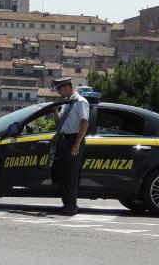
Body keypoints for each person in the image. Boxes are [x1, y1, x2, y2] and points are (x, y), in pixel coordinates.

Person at [52, 77, 89, 216]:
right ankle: (67, 204)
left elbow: (85, 123)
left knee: (72, 176)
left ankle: (71, 206)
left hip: (74, 141)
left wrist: (77, 143)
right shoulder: (67, 103)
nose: (59, 93)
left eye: (60, 89)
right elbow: (59, 123)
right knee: (63, 175)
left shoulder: (80, 102)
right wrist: (55, 109)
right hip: (64, 141)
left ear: (67, 87)